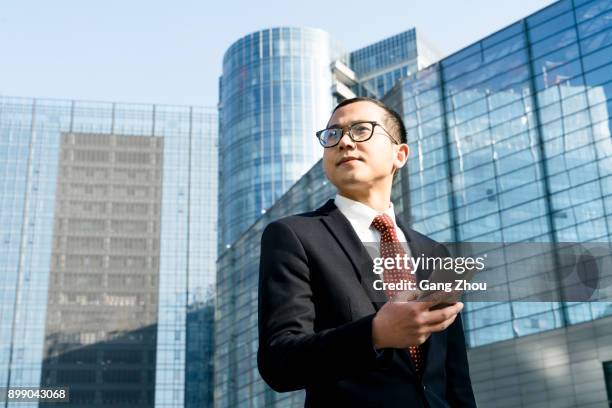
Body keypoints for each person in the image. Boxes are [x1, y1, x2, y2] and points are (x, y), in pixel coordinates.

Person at [258, 97, 477, 407]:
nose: (344, 141)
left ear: (399, 154)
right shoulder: (293, 236)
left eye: (361, 130)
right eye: (332, 134)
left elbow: (456, 380)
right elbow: (278, 360)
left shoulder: (436, 254)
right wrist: (374, 333)